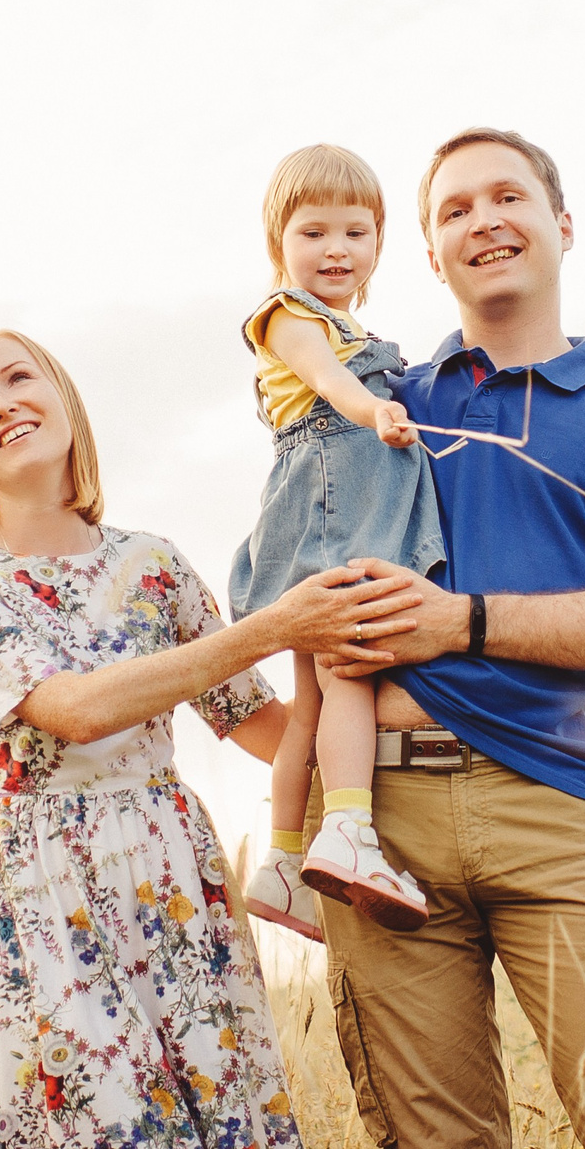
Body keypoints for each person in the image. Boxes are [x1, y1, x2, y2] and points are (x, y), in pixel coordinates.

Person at [0, 326, 429, 1149]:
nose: (2, 404)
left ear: (62, 400)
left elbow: (259, 725)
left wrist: (413, 732)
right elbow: (72, 710)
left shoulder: (153, 563)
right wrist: (275, 625)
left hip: (169, 873)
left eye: (18, 379)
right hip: (36, 886)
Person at [305, 128, 585, 1149]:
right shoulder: (384, 406)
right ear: (431, 254)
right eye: (453, 210)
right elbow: (299, 557)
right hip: (379, 822)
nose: (483, 220)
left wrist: (463, 621)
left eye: (507, 198)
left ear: (561, 225)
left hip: (558, 807)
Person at [227, 145, 447, 940]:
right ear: (279, 243)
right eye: (314, 232)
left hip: (328, 512)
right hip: (330, 513)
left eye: (356, 233)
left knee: (312, 705)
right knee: (351, 668)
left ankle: (284, 860)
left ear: (379, 245)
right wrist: (376, 413)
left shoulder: (354, 323)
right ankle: (351, 829)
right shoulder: (289, 316)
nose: (336, 250)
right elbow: (327, 379)